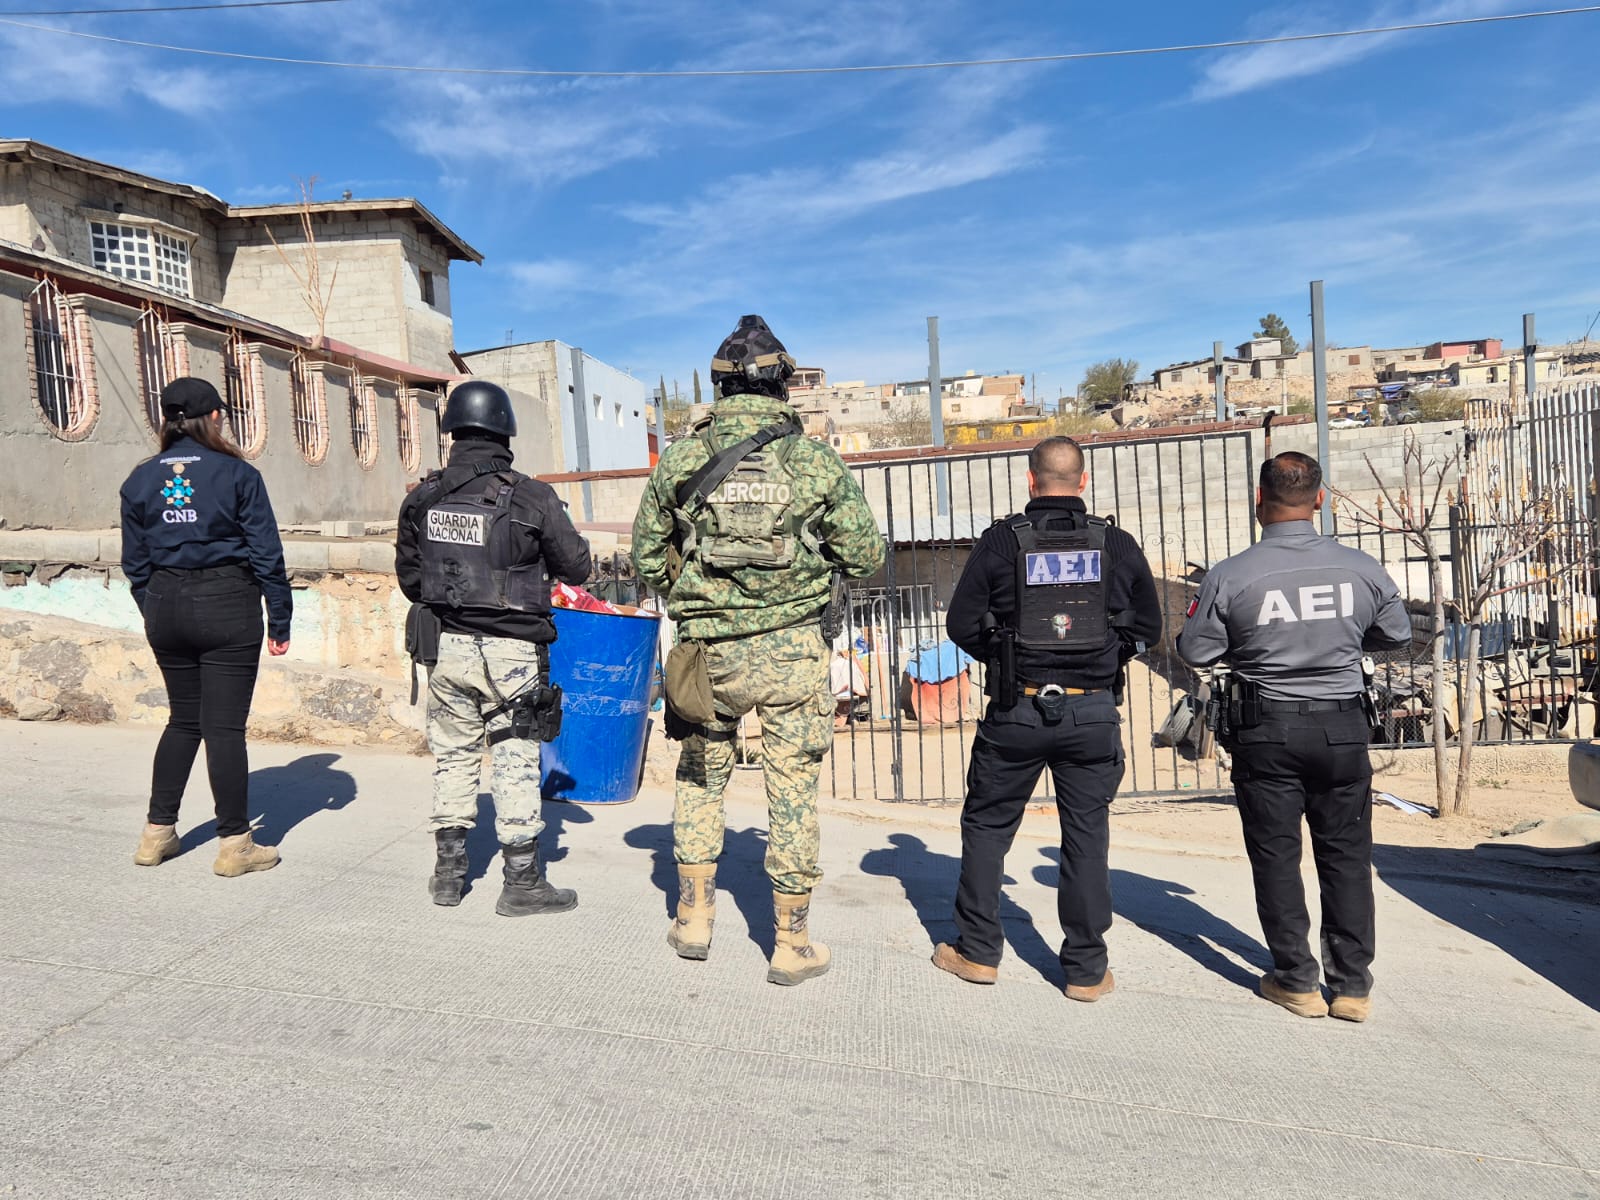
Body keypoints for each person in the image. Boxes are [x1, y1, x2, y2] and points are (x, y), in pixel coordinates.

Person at [631, 314, 884, 986]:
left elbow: (647, 559)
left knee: (699, 779)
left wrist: (698, 597)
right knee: (792, 791)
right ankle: (791, 944)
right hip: (792, 652)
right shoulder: (813, 460)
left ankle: (693, 920)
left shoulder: (681, 459)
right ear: (782, 385)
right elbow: (865, 555)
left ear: (719, 387)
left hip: (707, 654)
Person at [1177, 451, 1412, 1023]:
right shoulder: (1361, 568)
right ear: (1320, 499)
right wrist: (1338, 642)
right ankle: (1351, 988)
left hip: (1267, 729)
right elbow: (1396, 633)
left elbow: (1196, 650)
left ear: (1259, 501)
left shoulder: (1231, 574)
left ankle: (1296, 981)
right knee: (1347, 856)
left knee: (1276, 855)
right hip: (1342, 727)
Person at [934, 436, 1161, 1001]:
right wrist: (1104, 656)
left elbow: (961, 623)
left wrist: (1004, 657)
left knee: (988, 828)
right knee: (1086, 835)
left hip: (1017, 707)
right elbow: (1147, 627)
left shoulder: (1001, 541)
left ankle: (977, 953)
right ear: (1082, 481)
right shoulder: (1116, 544)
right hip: (1092, 711)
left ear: (1031, 480)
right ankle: (1086, 970)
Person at [396, 380, 592, 916]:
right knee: (514, 759)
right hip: (513, 654)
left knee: (453, 757)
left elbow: (411, 582)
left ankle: (447, 876)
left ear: (453, 432)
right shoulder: (531, 496)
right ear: (505, 432)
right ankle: (522, 882)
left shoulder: (422, 498)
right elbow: (577, 567)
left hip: (448, 649)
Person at [120, 377, 292, 877]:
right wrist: (279, 617)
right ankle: (235, 843)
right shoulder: (238, 474)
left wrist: (153, 607)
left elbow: (135, 563)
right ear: (214, 417)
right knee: (223, 728)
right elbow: (266, 553)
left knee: (183, 720)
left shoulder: (140, 479)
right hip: (226, 602)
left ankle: (156, 833)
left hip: (165, 604)